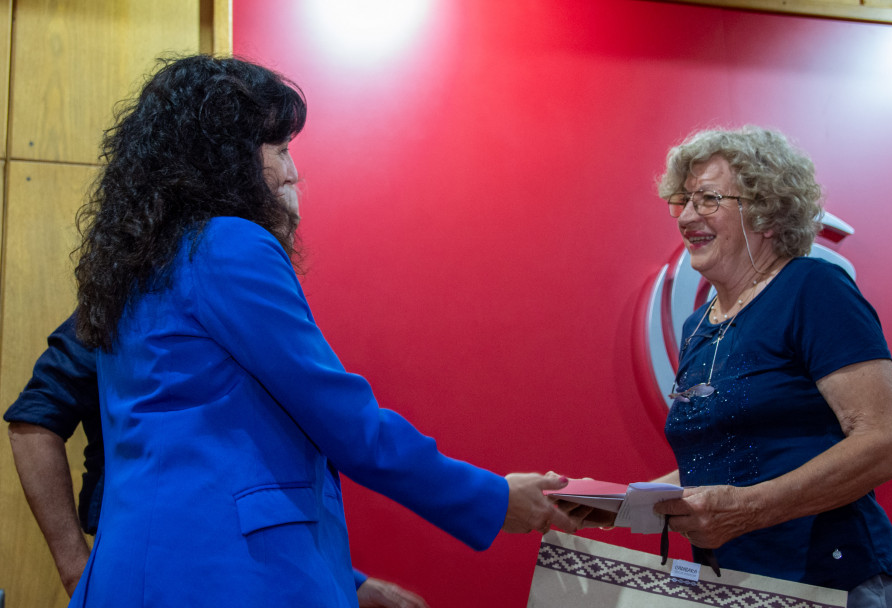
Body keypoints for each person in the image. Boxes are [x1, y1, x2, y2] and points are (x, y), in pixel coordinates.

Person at [66, 54, 574, 607]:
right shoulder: (228, 245)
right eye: (280, 149)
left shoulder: (139, 265)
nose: (291, 172)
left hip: (143, 572)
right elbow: (344, 421)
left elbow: (210, 454)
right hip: (223, 580)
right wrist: (492, 499)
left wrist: (353, 584)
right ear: (226, 156)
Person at [647, 126, 892, 607]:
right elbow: (722, 462)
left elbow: (887, 443)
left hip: (830, 583)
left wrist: (748, 511)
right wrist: (615, 500)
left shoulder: (814, 288)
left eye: (707, 199)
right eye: (682, 201)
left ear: (766, 211)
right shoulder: (697, 326)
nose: (686, 217)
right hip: (730, 588)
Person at [5, 315, 429, 607]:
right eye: (281, 183)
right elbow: (34, 418)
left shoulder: (250, 312)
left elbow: (248, 483)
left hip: (247, 572)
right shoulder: (127, 305)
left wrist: (347, 582)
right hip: (152, 568)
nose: (291, 192)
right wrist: (76, 571)